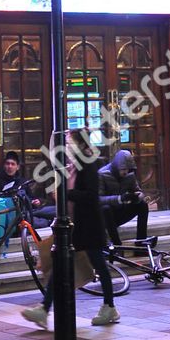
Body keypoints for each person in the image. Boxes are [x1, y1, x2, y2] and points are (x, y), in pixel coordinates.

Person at [22, 128, 120, 329]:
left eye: (70, 143)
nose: (67, 147)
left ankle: (109, 306)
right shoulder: (72, 166)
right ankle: (44, 309)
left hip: (88, 225)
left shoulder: (89, 165)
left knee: (98, 264)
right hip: (73, 226)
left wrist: (69, 195)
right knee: (59, 265)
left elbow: (91, 195)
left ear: (81, 145)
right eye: (66, 144)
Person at [99, 149, 150, 246]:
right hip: (105, 216)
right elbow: (98, 199)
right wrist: (120, 198)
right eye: (123, 169)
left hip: (120, 212)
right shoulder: (102, 174)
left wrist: (138, 196)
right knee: (105, 208)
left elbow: (138, 190)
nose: (125, 172)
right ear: (116, 167)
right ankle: (116, 243)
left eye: (128, 169)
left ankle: (141, 241)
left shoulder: (130, 175)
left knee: (142, 205)